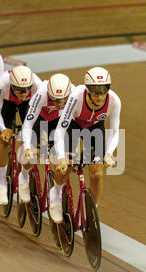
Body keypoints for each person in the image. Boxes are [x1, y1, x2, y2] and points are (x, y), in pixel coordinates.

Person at [50, 67, 121, 223]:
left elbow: (115, 132)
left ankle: (91, 209)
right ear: (87, 89)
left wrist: (108, 153)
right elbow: (60, 130)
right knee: (67, 164)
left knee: (97, 172)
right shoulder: (76, 97)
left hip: (94, 127)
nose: (100, 95)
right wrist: (61, 157)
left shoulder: (114, 101)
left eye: (104, 89)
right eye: (95, 90)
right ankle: (55, 193)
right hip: (72, 125)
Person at [19, 73, 75, 203]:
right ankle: (24, 176)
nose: (59, 103)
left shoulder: (74, 94)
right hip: (40, 117)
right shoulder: (41, 94)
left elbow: (75, 123)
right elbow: (28, 123)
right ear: (49, 93)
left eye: (62, 100)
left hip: (59, 120)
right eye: (55, 100)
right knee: (32, 152)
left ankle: (57, 191)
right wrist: (28, 147)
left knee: (70, 157)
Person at [0, 65, 42, 205]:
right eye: (19, 90)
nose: (23, 93)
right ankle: (1, 184)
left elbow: (40, 112)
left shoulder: (38, 85)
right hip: (7, 104)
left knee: (31, 141)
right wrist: (3, 129)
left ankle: (23, 176)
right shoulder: (2, 84)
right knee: (4, 140)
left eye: (26, 89)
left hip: (28, 105)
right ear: (12, 85)